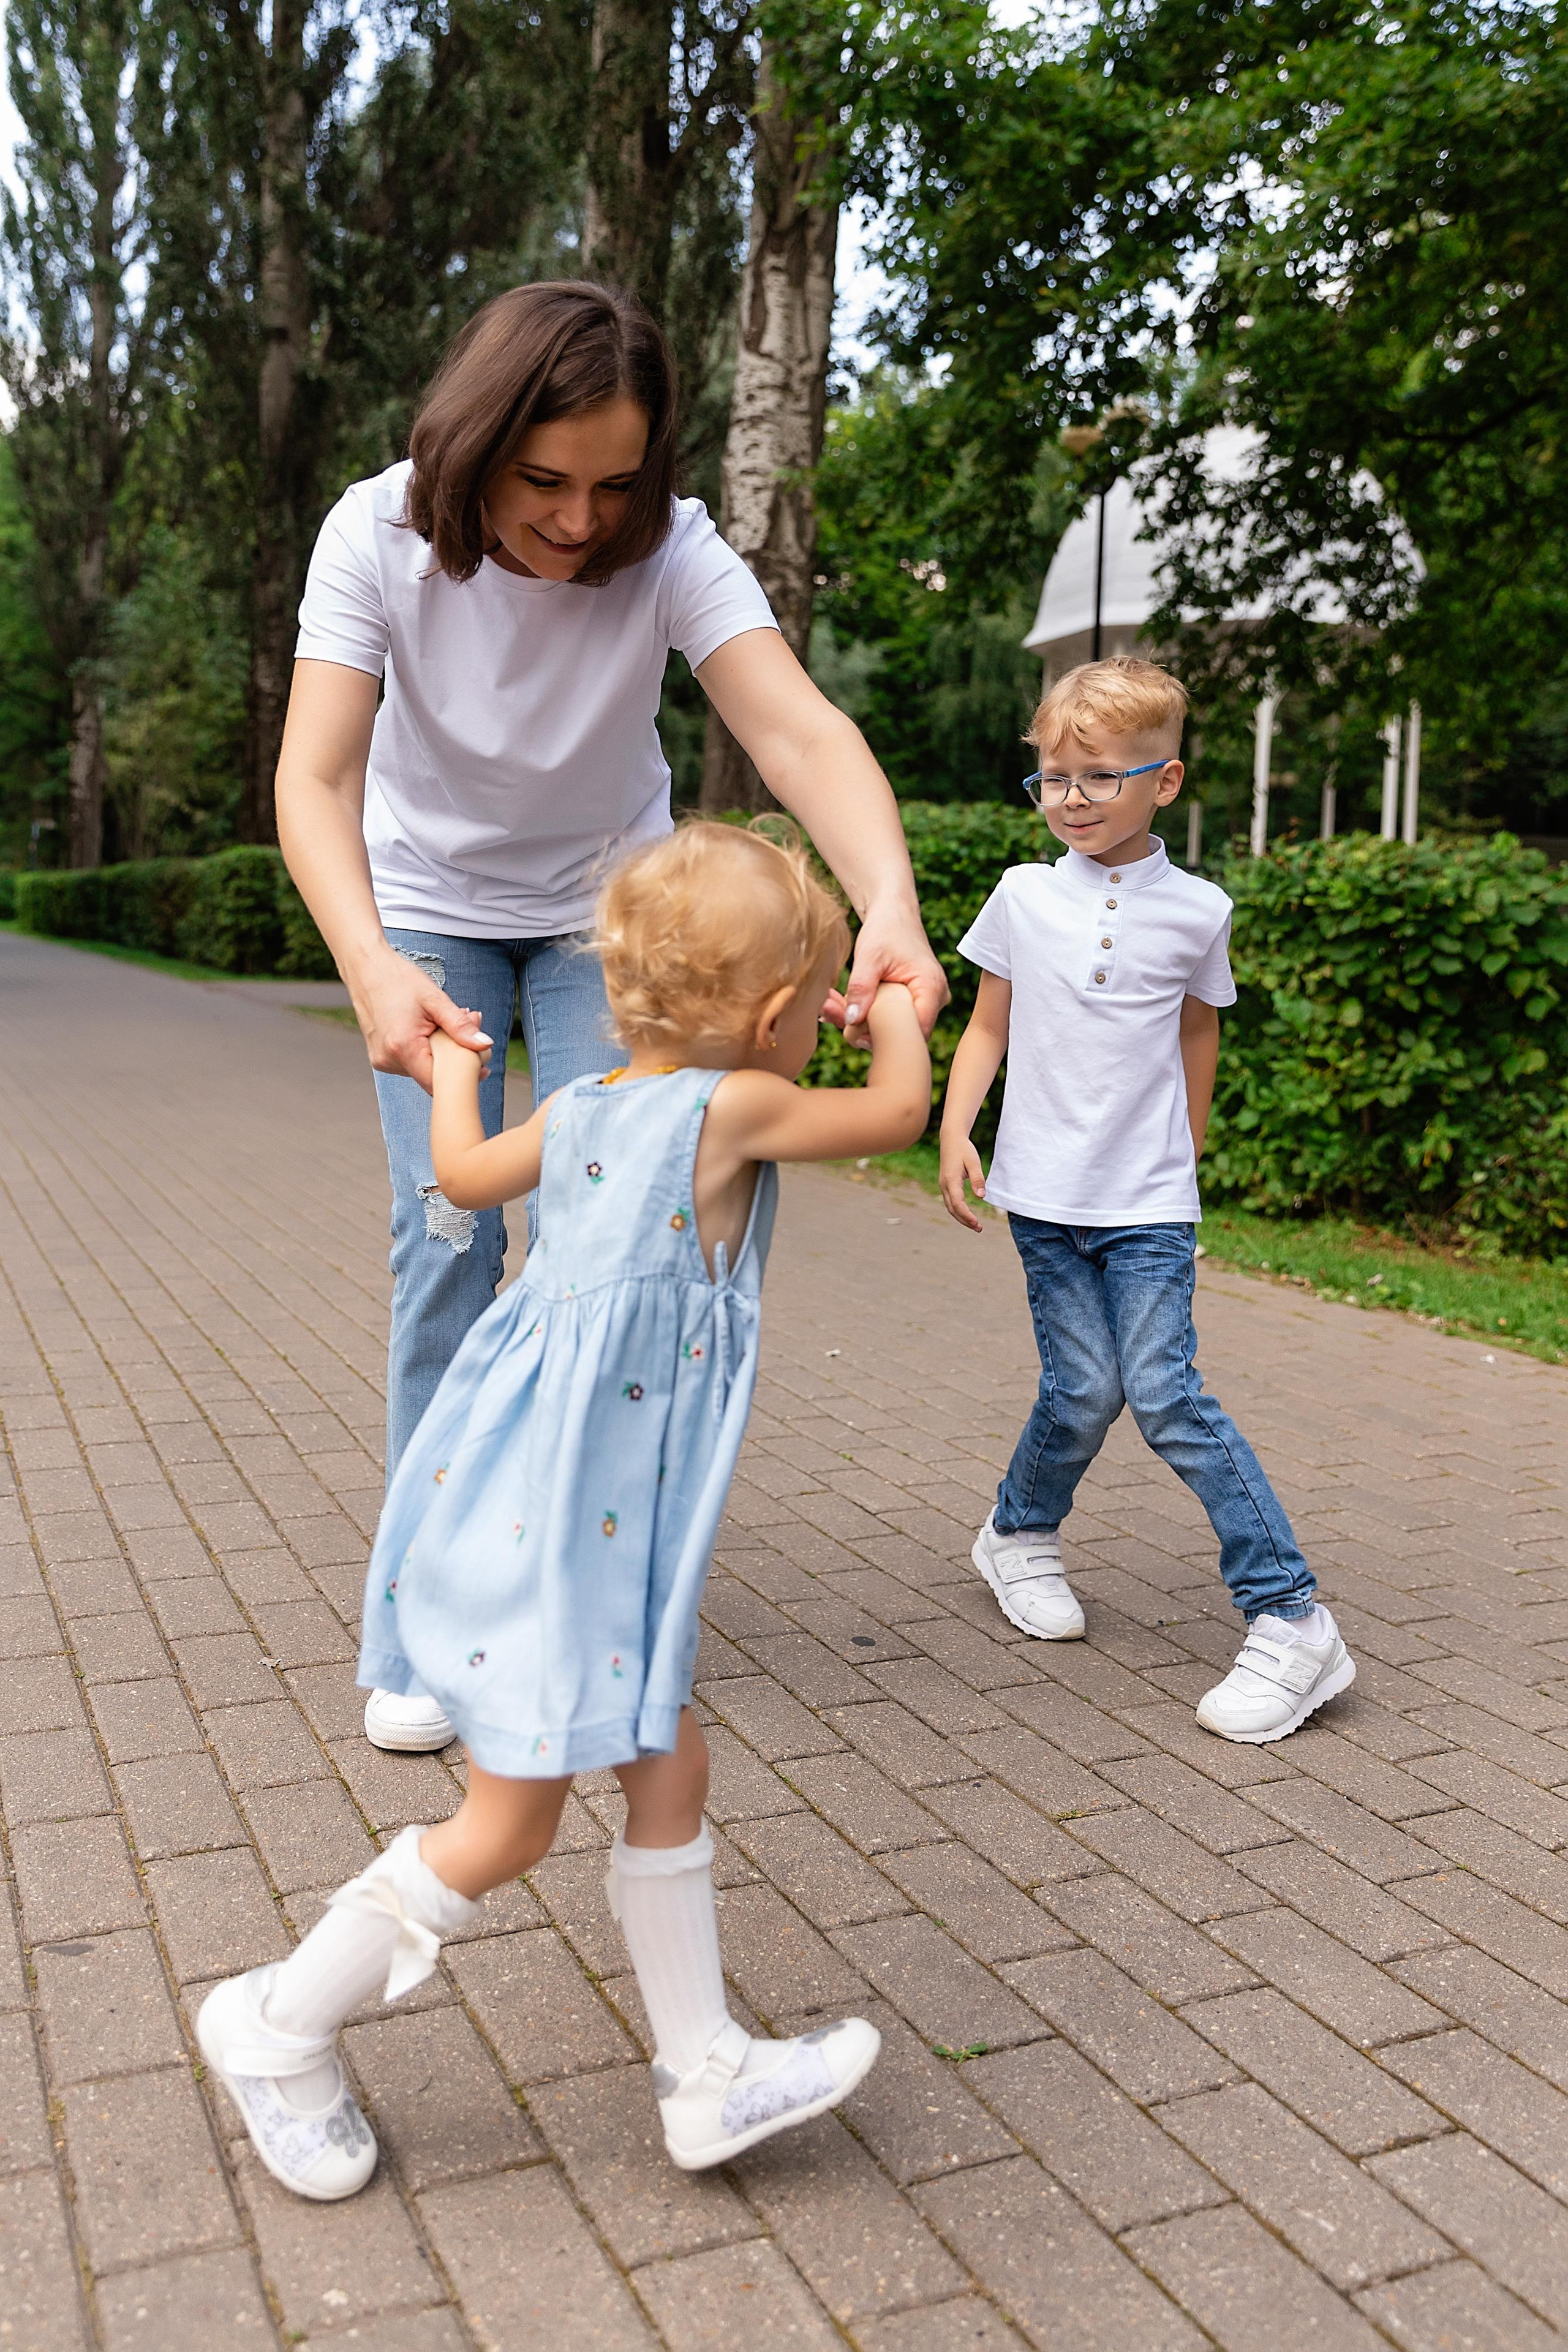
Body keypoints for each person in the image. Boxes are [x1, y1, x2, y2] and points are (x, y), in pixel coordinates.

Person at [198, 821, 932, 2201]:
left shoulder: (586, 1102)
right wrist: (896, 1005)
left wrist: (455, 1073)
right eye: (815, 1005)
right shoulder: (731, 1109)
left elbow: (464, 1180)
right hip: (573, 1544)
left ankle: (703, 2068)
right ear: (777, 1013)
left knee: (666, 1766)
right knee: (509, 1827)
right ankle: (278, 2027)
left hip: (543, 1513)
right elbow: (896, 1113)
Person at [276, 279, 945, 1756]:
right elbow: (315, 775)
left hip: (615, 921)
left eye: (613, 486)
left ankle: (603, 1575)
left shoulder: (675, 548)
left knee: (645, 1238)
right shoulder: (374, 533)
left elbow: (795, 729)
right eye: (542, 481)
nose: (580, 521)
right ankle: (428, 1609)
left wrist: (888, 901)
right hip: (425, 910)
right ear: (474, 444)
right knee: (449, 1242)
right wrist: (372, 966)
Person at [938, 656, 1354, 1744]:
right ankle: (1018, 1534)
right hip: (1043, 1196)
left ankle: (1292, 1616)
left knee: (1163, 1392)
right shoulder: (1024, 895)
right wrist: (955, 1126)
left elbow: (1197, 1031)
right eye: (1053, 778)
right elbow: (988, 1025)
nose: (1071, 798)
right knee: (1082, 1389)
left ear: (1164, 781)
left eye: (1099, 777)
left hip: (1150, 1205)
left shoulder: (1200, 910)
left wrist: (1187, 1155)